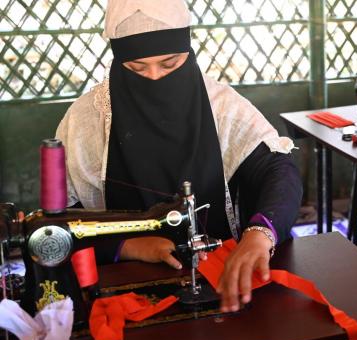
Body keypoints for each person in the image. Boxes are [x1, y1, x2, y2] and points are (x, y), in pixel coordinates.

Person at [56, 0, 302, 313]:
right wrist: (127, 245)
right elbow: (60, 222)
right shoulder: (86, 121)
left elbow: (277, 170)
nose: (155, 77)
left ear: (188, 53)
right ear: (118, 62)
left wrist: (259, 234)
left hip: (220, 274)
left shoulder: (221, 107)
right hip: (121, 285)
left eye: (170, 64)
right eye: (137, 68)